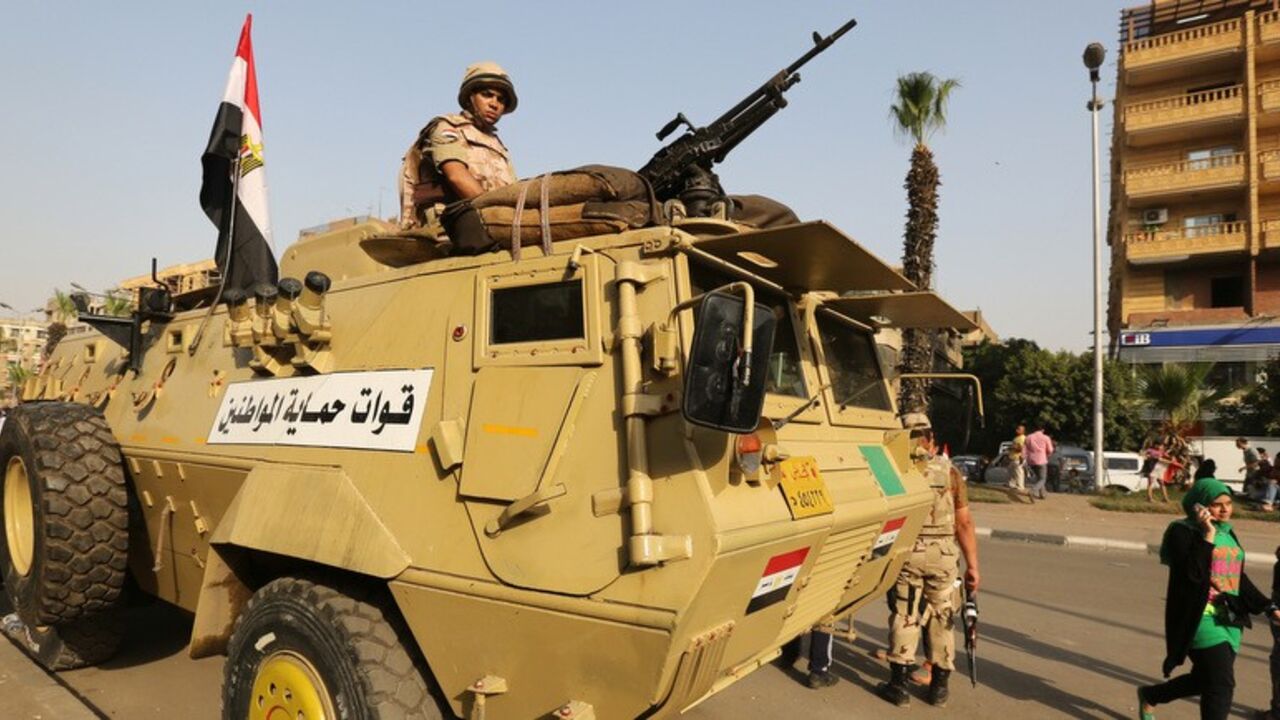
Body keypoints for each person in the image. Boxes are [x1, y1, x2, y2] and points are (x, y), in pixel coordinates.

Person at [1136, 475, 1280, 720]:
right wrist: (1208, 534)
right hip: (1199, 618)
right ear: (1199, 506)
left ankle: (1151, 695)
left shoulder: (1229, 532)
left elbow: (1238, 576)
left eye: (1228, 503)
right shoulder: (1182, 532)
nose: (1225, 509)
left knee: (1205, 679)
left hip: (1230, 618)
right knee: (1221, 684)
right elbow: (1193, 574)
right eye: (1216, 504)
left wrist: (1268, 606)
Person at [876, 413, 980, 708]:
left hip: (908, 552)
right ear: (931, 440)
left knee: (905, 612)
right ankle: (939, 688)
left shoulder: (894, 470)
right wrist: (973, 566)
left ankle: (898, 686)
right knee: (942, 616)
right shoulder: (951, 473)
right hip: (944, 555)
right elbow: (964, 523)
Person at [399, 62, 518, 229]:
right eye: (487, 95)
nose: (494, 104)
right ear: (470, 97)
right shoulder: (448, 128)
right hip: (449, 225)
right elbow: (456, 176)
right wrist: (496, 215)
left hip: (491, 225)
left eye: (501, 99)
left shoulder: (499, 148)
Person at [1024, 423, 1055, 500]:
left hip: (1031, 460)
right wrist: (1047, 454)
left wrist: (1024, 458)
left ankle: (1042, 494)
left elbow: (1024, 449)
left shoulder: (1028, 437)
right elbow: (1050, 450)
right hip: (1041, 460)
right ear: (1042, 430)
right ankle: (1033, 490)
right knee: (1043, 479)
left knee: (1039, 478)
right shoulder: (1046, 438)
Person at [1008, 424, 1027, 493]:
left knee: (1019, 472)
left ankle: (1020, 486)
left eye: (1019, 429)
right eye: (1017, 429)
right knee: (1012, 472)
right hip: (1013, 457)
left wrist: (1013, 447)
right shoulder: (1016, 438)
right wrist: (1012, 447)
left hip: (1018, 458)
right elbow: (1014, 446)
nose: (1017, 430)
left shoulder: (1023, 438)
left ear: (1023, 431)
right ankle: (1012, 485)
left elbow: (1021, 449)